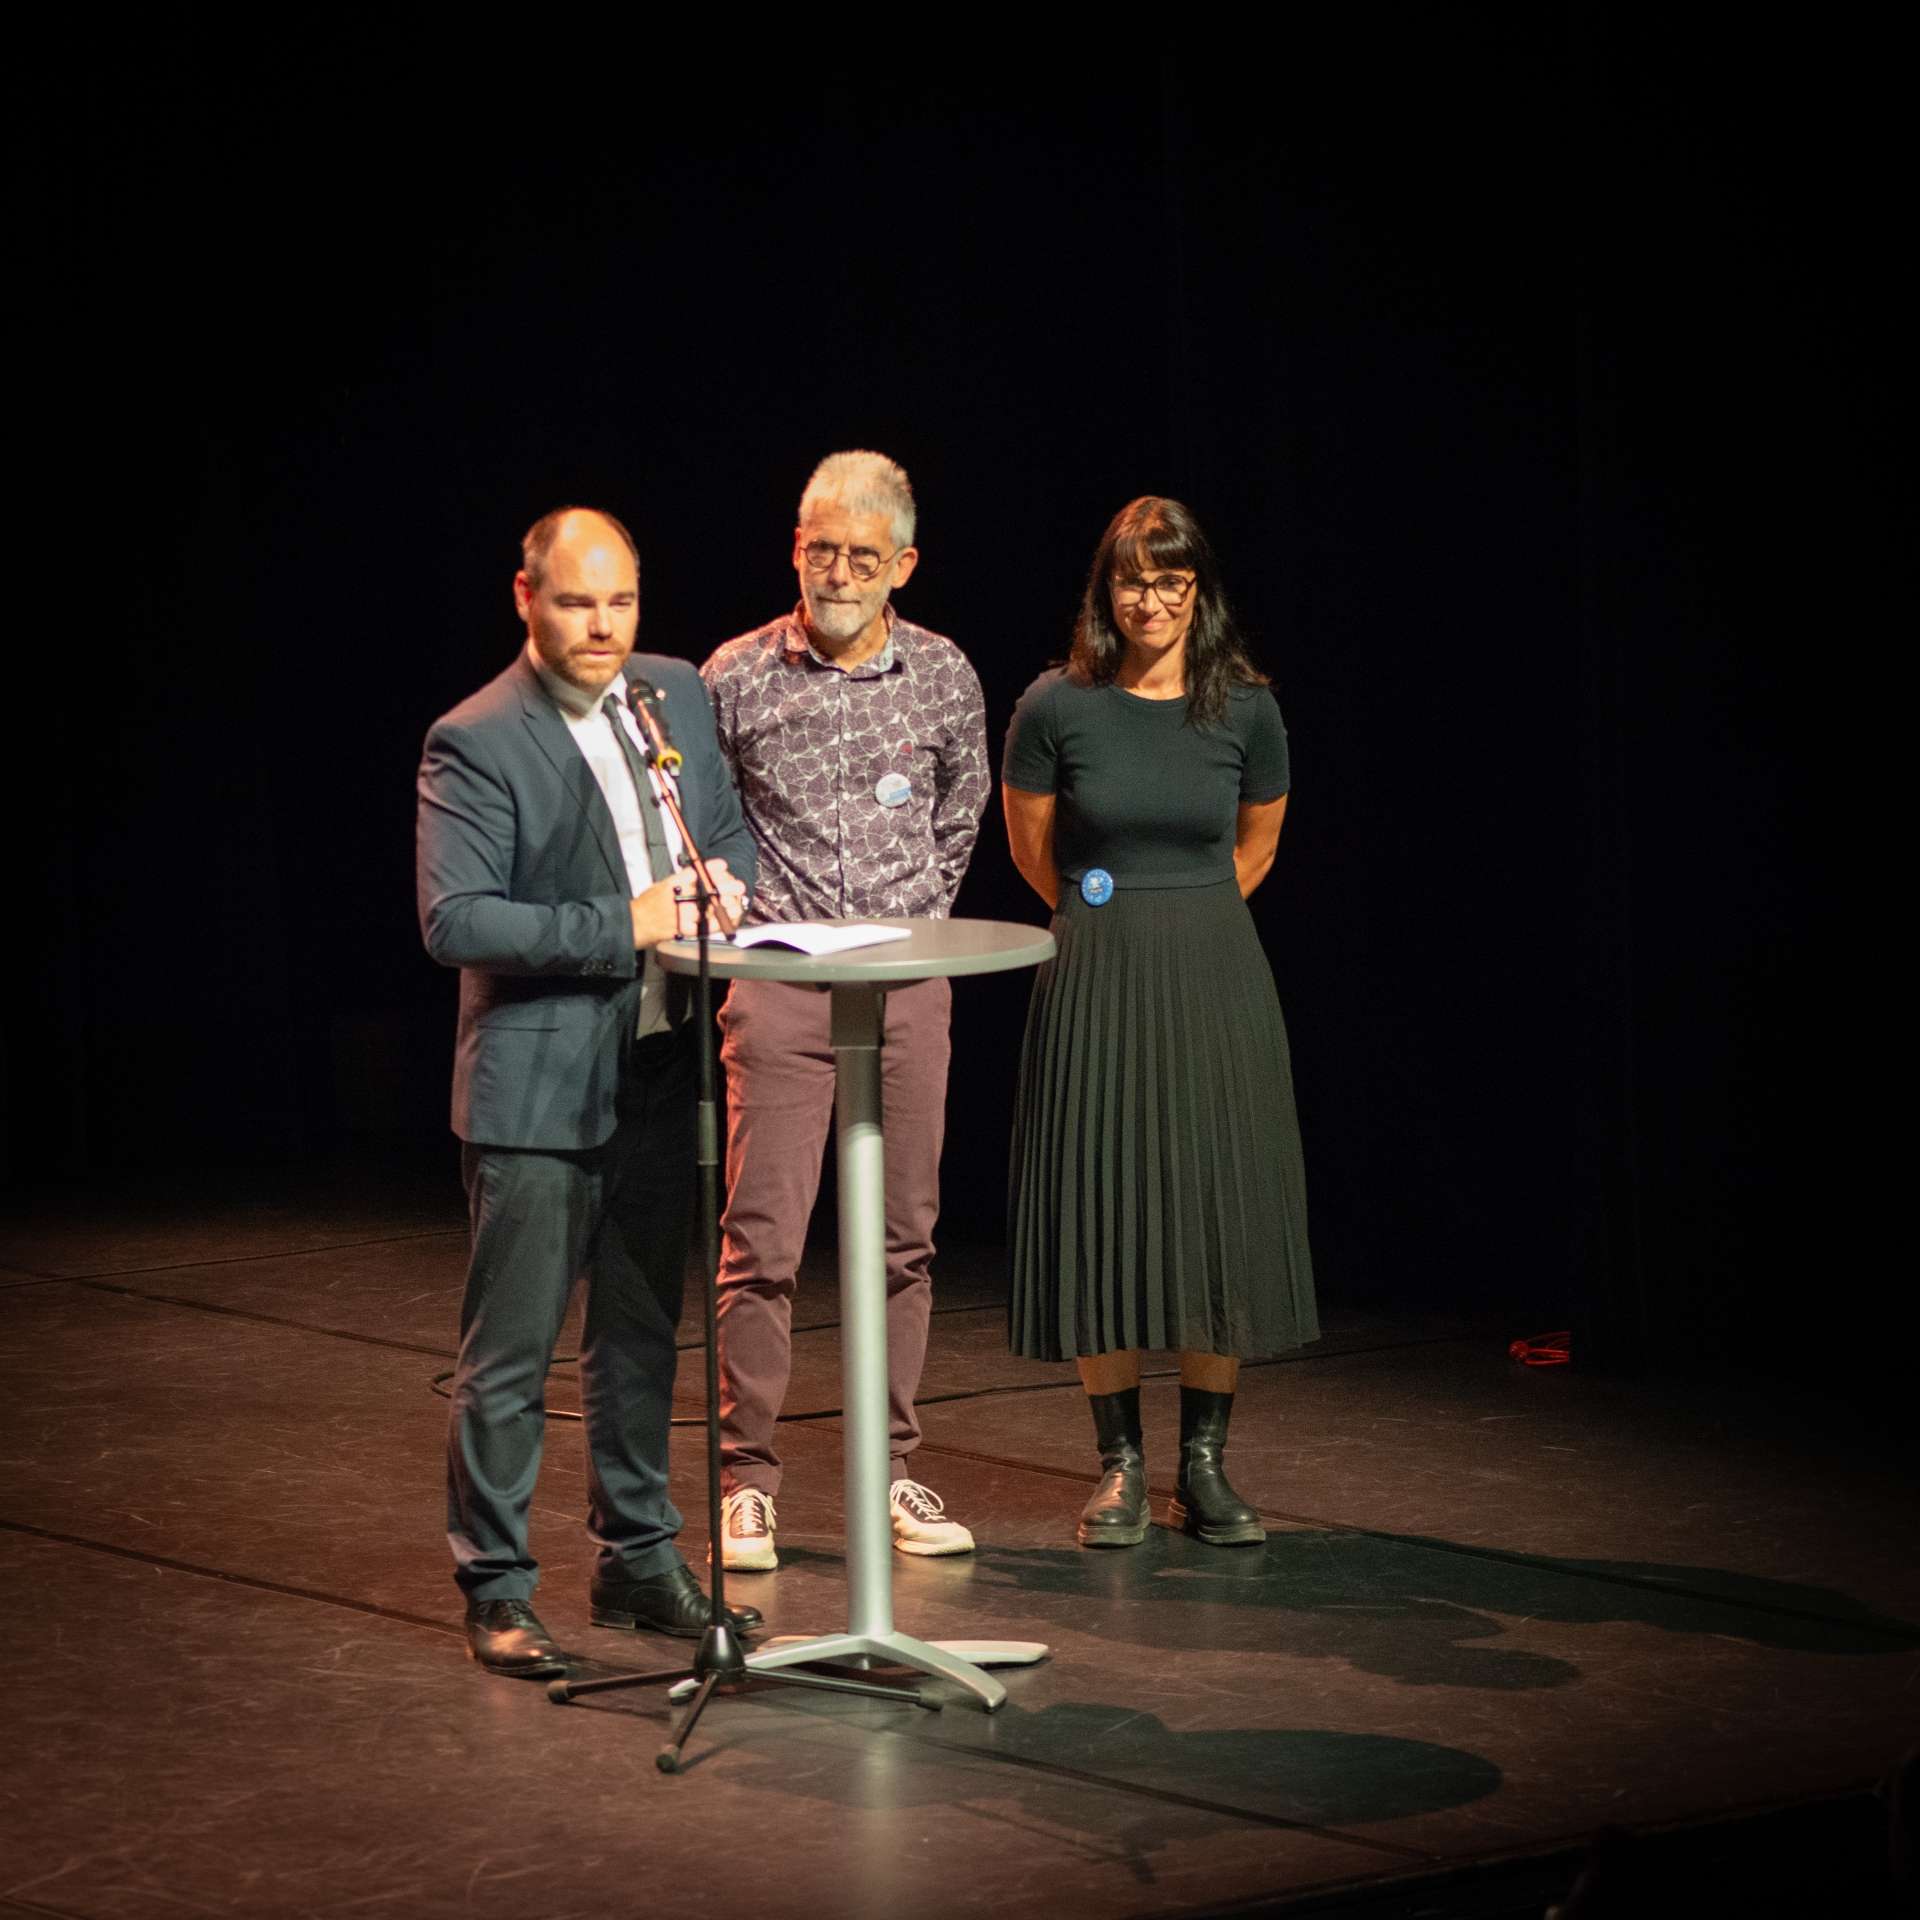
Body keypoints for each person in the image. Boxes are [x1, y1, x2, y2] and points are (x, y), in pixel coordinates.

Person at [417, 506, 762, 1675]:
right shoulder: (475, 738)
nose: (602, 626)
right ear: (526, 599)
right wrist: (624, 923)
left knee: (641, 1340)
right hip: (539, 1093)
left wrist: (726, 879)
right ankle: (498, 1587)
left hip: (661, 1070)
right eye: (576, 602)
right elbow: (454, 919)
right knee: (509, 1357)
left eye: (619, 601)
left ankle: (639, 1560)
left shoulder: (671, 693)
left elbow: (722, 831)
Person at [1001, 495, 1317, 1549]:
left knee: (1211, 1209)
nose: (1150, 600)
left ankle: (1206, 1464)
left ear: (1199, 591)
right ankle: (1121, 1467)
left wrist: (1188, 912)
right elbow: (1034, 852)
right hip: (1096, 968)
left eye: (1170, 581)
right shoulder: (1056, 705)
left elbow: (1258, 845)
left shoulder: (1247, 708)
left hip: (1216, 971)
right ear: (1108, 590)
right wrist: (1107, 909)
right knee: (1104, 1204)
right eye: (1133, 581)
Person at [700, 451, 990, 1571]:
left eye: (862, 558)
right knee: (763, 1237)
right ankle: (748, 1481)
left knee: (903, 1238)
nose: (836, 572)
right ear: (794, 545)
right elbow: (712, 822)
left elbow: (962, 811)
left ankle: (890, 1467)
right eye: (820, 548)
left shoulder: (943, 675)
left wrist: (912, 922)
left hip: (907, 983)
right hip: (777, 982)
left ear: (903, 566)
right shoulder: (735, 677)